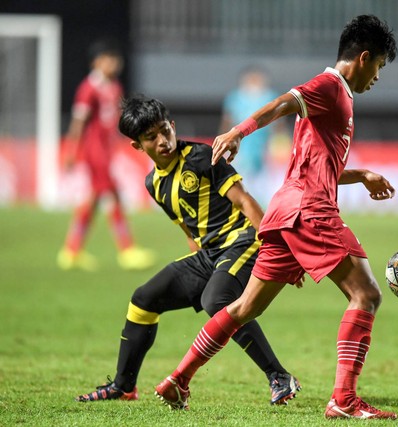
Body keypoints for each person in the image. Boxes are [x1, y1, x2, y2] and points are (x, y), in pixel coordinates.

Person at [154, 15, 398, 419]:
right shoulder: (329, 86)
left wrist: (363, 175)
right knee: (366, 294)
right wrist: (239, 131)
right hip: (310, 211)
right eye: (380, 67)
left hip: (285, 211)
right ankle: (344, 399)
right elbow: (284, 102)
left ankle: (178, 379)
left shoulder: (338, 99)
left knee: (243, 307)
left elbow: (319, 167)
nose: (377, 77)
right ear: (364, 57)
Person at [74, 95, 300, 407]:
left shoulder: (202, 156)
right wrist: (196, 261)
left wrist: (277, 249)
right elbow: (186, 225)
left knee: (216, 300)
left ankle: (278, 376)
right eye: (151, 137)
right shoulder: (154, 183)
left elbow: (245, 201)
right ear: (137, 146)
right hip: (209, 254)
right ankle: (123, 386)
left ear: (173, 126)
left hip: (243, 242)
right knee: (143, 299)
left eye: (164, 130)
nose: (162, 141)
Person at [57, 39, 155, 271]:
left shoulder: (114, 86)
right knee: (114, 196)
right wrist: (71, 150)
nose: (114, 63)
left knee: (92, 201)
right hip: (94, 152)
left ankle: (71, 251)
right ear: (96, 62)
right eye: (108, 58)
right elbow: (78, 122)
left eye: (115, 59)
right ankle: (127, 250)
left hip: (107, 151)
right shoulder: (88, 88)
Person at [219, 66, 282, 206]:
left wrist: (279, 142)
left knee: (263, 183)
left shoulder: (269, 96)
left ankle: (264, 210)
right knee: (241, 179)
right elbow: (227, 121)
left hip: (263, 146)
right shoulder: (235, 97)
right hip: (241, 146)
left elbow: (278, 123)